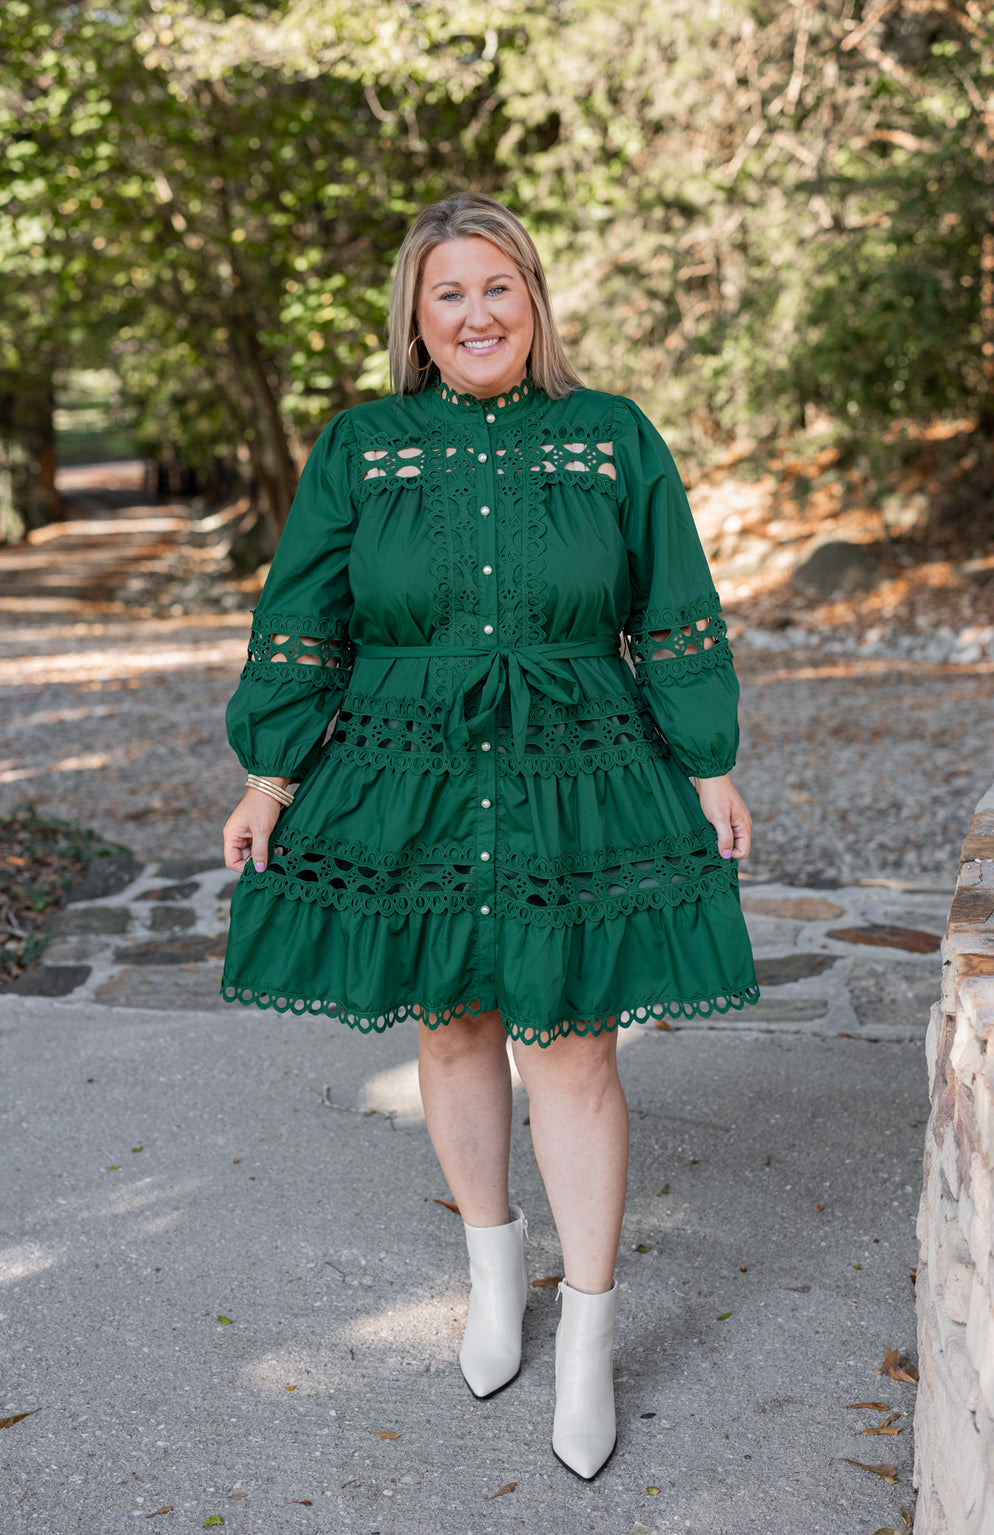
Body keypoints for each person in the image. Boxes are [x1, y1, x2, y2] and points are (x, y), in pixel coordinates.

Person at [220, 191, 759, 1480]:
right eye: (449, 292)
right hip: (406, 766)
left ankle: (587, 1331)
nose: (477, 313)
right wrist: (267, 777)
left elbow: (676, 606)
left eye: (498, 287)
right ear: (416, 313)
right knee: (452, 1023)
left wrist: (710, 760)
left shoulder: (613, 436)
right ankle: (490, 1273)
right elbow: (304, 622)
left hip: (580, 766)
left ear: (535, 301)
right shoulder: (363, 446)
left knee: (572, 1047)